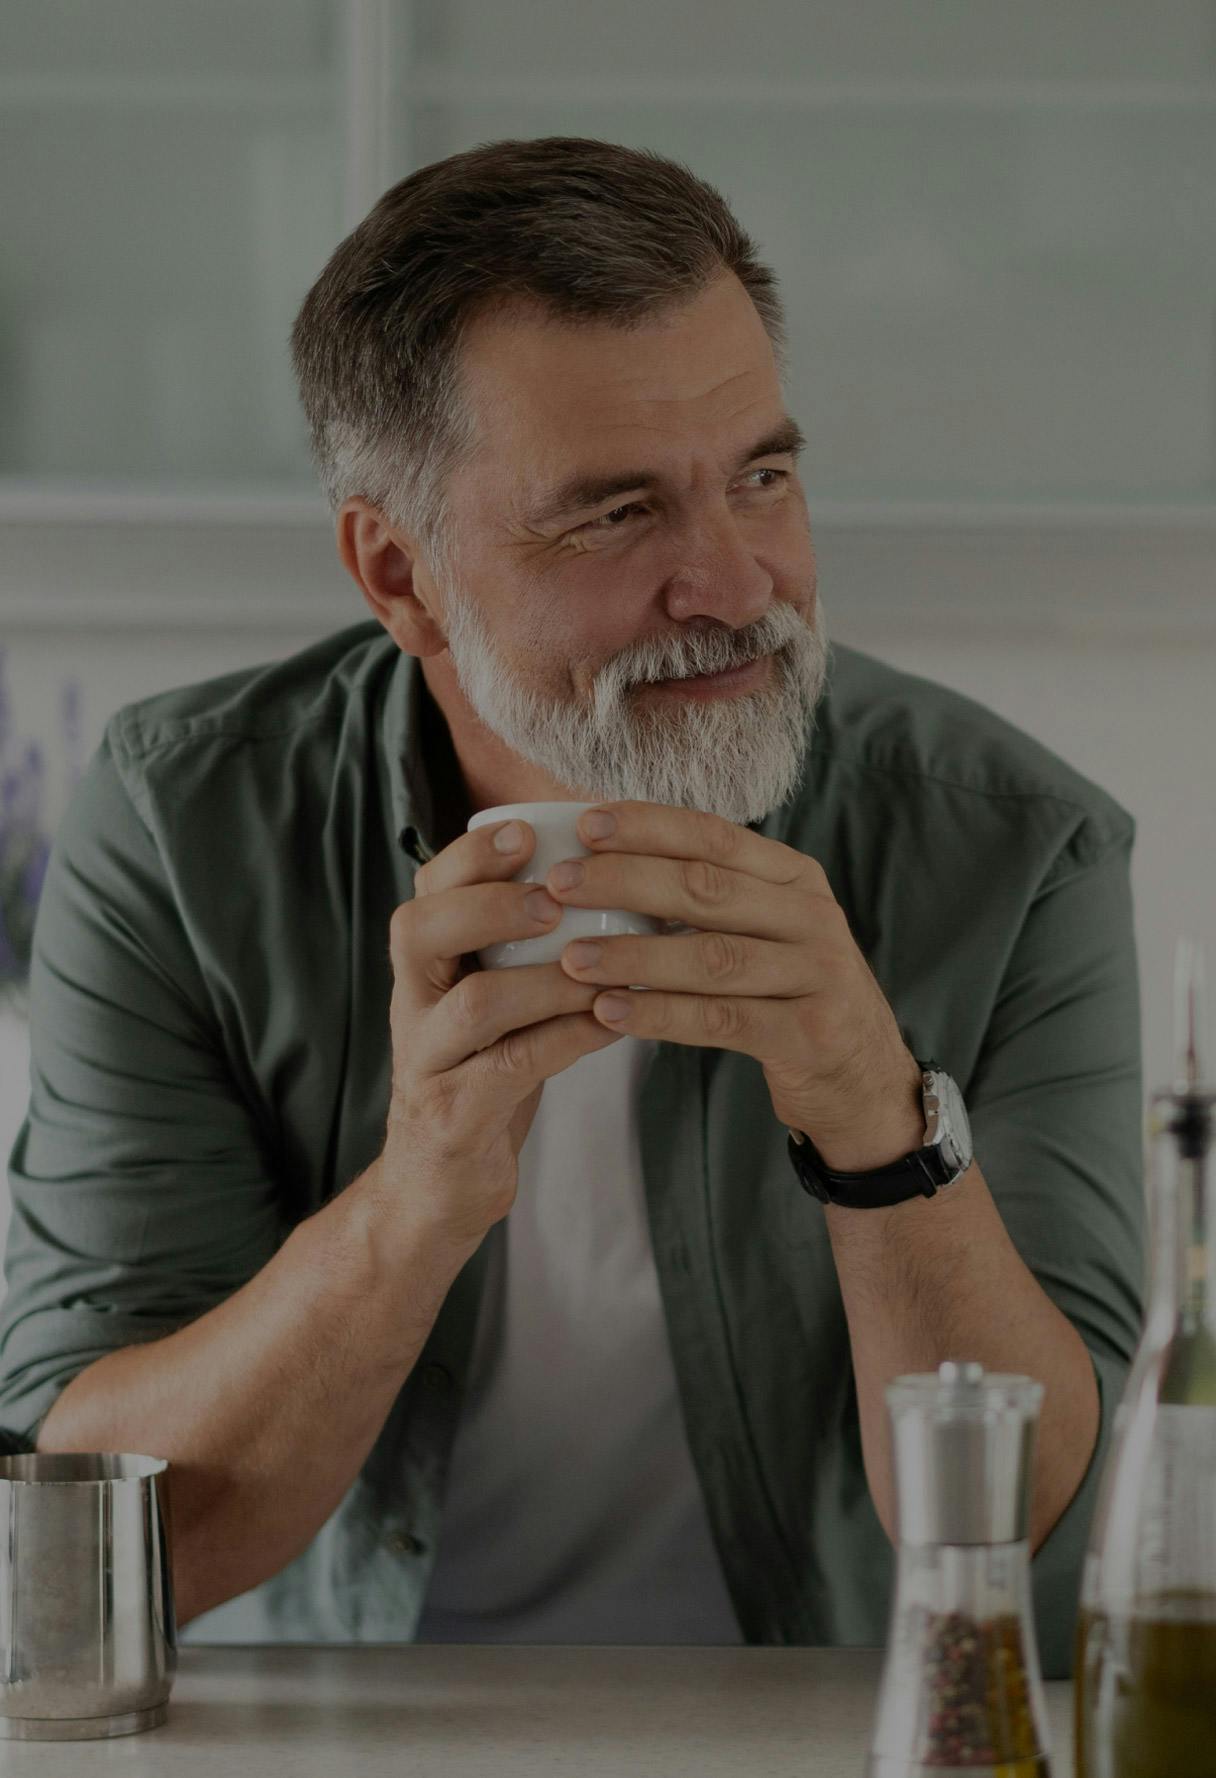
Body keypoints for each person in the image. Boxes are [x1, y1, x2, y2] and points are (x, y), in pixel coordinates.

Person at [0, 138, 1142, 1675]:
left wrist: (884, 1126)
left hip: (819, 1727)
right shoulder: (181, 829)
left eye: (763, 476)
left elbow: (1050, 1552)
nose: (734, 584)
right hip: (344, 1731)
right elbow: (92, 1560)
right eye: (615, 515)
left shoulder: (1017, 848)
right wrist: (416, 1198)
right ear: (399, 575)